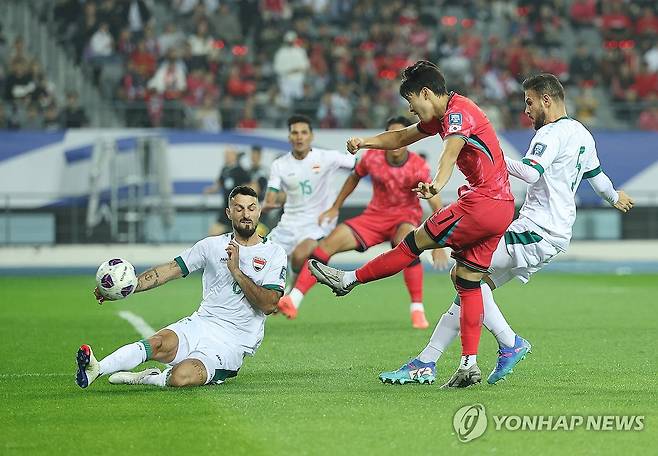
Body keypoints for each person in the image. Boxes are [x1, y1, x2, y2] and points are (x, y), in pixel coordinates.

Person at [378, 73, 635, 387]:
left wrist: (491, 152)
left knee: (464, 276)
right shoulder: (582, 133)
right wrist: (615, 197)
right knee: (470, 290)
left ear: (547, 100)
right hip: (554, 234)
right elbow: (599, 179)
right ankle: (425, 362)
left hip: (537, 230)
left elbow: (528, 172)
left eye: (529, 102)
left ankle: (509, 342)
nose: (526, 110)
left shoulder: (549, 135)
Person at [309, 60, 516, 388]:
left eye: (412, 102)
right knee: (467, 281)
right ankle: (469, 363)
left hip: (479, 204)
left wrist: (435, 186)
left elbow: (450, 154)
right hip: (502, 208)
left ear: (426, 93)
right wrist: (366, 142)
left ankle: (348, 279)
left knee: (413, 243)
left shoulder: (457, 115)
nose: (410, 109)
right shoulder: (446, 114)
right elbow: (400, 138)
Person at [76, 186, 287, 389]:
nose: (246, 214)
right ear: (228, 213)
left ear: (258, 211)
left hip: (233, 342)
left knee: (180, 377)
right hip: (201, 323)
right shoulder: (211, 246)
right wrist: (128, 287)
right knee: (156, 343)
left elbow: (269, 304)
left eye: (251, 208)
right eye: (239, 208)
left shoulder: (274, 253)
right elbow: (170, 269)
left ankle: (149, 378)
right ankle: (96, 368)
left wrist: (237, 271)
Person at [277, 115, 449, 328]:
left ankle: (417, 309)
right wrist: (335, 207)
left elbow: (431, 194)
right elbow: (354, 177)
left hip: (404, 219)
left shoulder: (417, 165)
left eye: (402, 137)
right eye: (393, 136)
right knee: (327, 244)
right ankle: (293, 300)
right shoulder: (372, 159)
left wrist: (439, 237)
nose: (397, 142)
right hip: (374, 218)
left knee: (407, 240)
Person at [263, 114, 356, 286]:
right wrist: (267, 203)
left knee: (299, 256)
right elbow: (271, 195)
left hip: (317, 223)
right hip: (288, 223)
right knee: (263, 260)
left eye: (304, 133)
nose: (299, 137)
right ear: (289, 137)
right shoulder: (280, 165)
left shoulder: (327, 158)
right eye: (295, 133)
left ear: (311, 136)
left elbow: (358, 164)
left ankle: (291, 289)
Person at [204, 148, 251, 235]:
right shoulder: (224, 169)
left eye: (228, 155)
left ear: (234, 156)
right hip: (226, 207)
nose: (226, 157)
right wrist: (210, 190)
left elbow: (248, 185)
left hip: (237, 208)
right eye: (225, 155)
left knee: (238, 233)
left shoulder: (240, 170)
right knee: (213, 232)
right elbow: (219, 184)